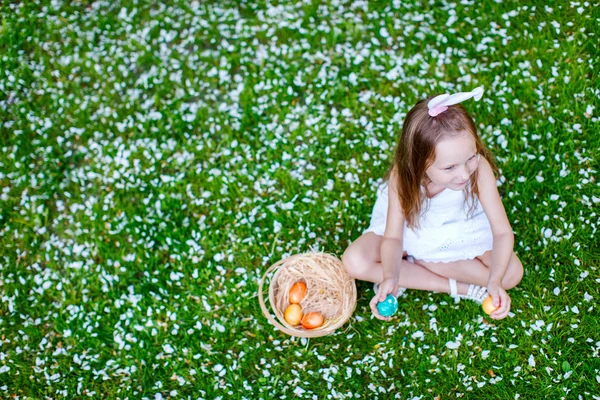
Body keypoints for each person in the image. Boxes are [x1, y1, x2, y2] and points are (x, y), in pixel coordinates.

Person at [342, 86, 523, 321]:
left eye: (470, 158)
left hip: (457, 228)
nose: (464, 174)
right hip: (413, 230)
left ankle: (419, 263)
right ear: (419, 164)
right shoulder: (404, 176)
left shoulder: (479, 169)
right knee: (354, 260)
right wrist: (390, 277)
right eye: (449, 168)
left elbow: (502, 232)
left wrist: (495, 281)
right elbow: (394, 237)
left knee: (512, 273)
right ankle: (456, 287)